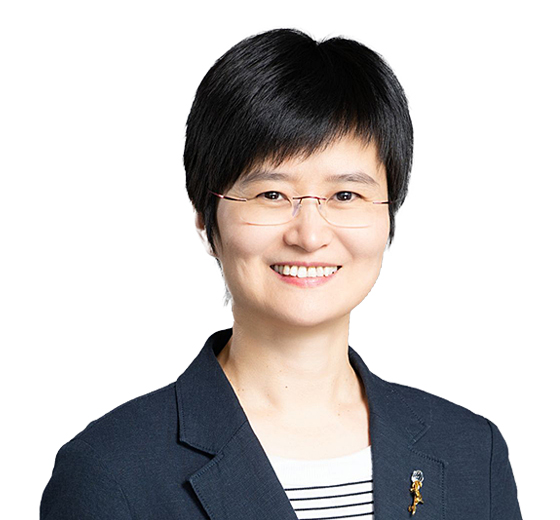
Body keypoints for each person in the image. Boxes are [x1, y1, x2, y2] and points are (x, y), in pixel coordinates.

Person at [40, 29, 522, 519]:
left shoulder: (470, 453)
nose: (310, 235)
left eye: (346, 195)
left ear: (389, 213)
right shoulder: (111, 471)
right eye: (271, 194)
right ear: (206, 216)